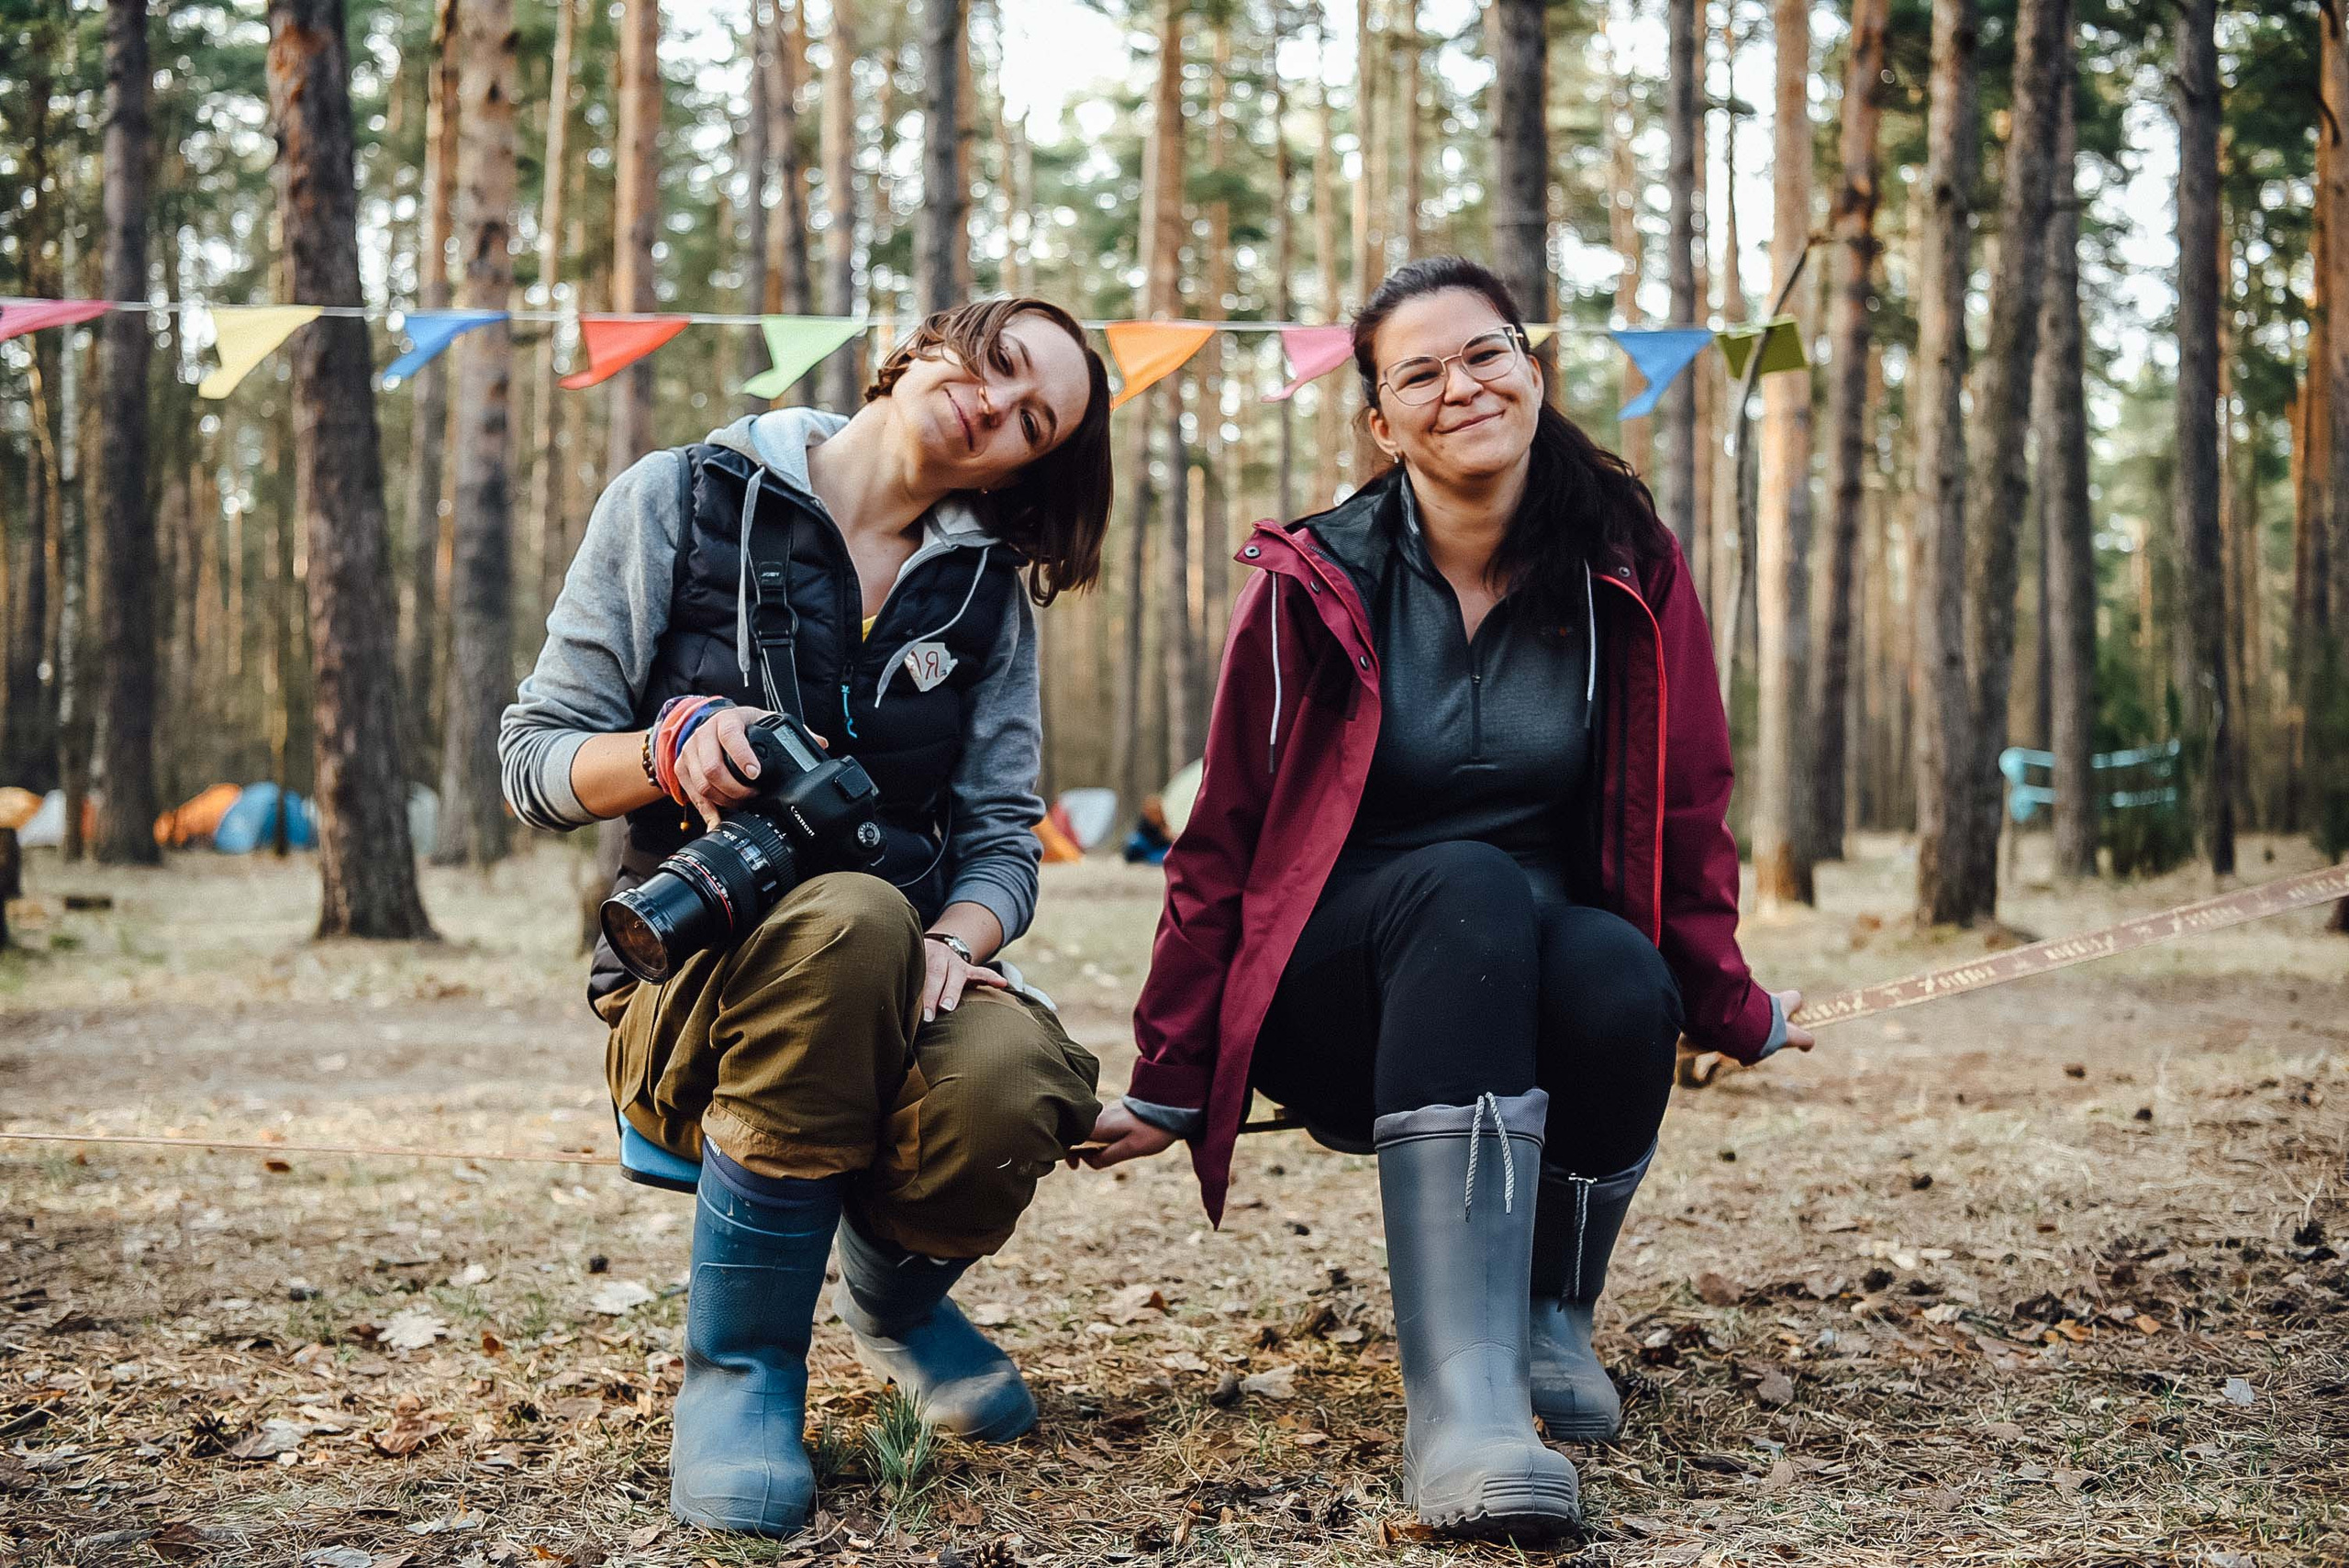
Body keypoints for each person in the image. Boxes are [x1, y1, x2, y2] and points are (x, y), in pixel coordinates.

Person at [1080, 257, 1816, 1539]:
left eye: (1486, 352)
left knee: (1612, 969)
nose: (1460, 385)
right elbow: (1221, 841)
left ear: (1531, 368)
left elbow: (1689, 793)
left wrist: (1729, 999)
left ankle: (1545, 1317)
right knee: (1468, 885)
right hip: (1344, 989)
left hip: (1530, 973)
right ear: (1381, 420)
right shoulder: (1312, 578)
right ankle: (1462, 1407)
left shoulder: (1627, 563)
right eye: (1418, 371)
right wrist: (1171, 1067)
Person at [499, 298, 1114, 1537]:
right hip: (690, 990)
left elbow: (1002, 843)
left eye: (1033, 419)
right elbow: (532, 761)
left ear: (1024, 467)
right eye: (994, 363)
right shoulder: (678, 498)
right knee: (845, 916)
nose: (995, 404)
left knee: (1015, 1074)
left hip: (900, 980)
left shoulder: (987, 598)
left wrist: (961, 940)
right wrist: (672, 749)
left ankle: (892, 1301)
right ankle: (740, 1371)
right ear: (925, 344)